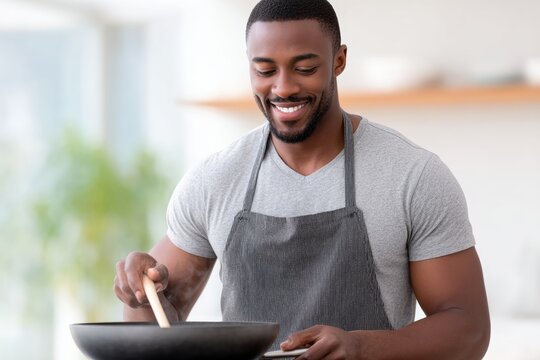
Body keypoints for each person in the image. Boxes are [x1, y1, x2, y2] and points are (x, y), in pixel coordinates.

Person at [114, 0, 491, 358]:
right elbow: (156, 329)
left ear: (339, 60)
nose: (283, 88)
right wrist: (140, 292)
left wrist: (362, 350)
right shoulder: (214, 181)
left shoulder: (413, 176)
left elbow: (468, 329)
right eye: (264, 70)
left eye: (305, 68)